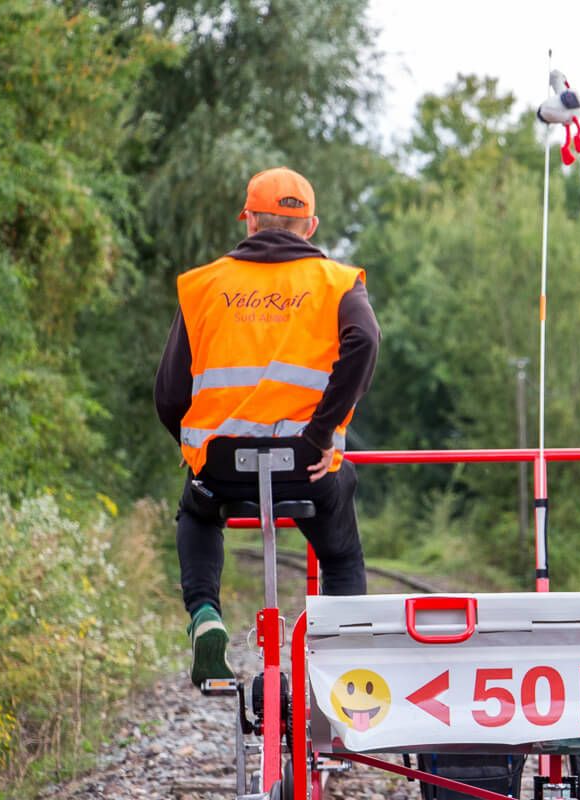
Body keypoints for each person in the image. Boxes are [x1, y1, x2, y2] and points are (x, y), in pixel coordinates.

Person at [154, 167, 379, 687]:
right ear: (312, 225)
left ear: (250, 219)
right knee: (341, 556)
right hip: (306, 466)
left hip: (224, 465)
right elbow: (365, 341)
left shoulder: (204, 285)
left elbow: (168, 396)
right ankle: (343, 670)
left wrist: (199, 453)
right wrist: (320, 434)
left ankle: (206, 615)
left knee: (197, 509)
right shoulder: (337, 283)